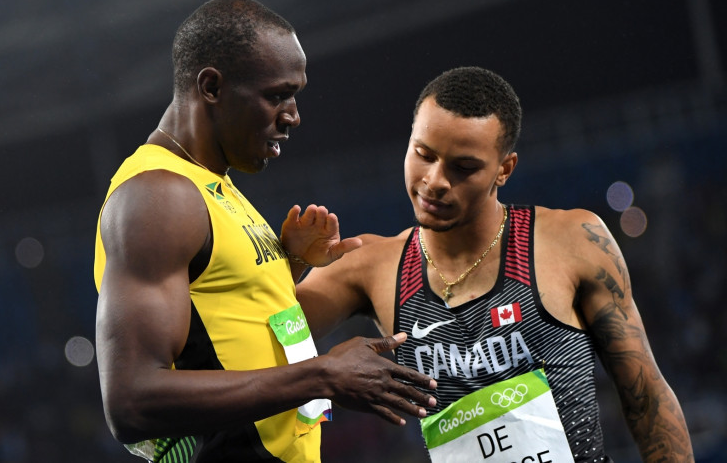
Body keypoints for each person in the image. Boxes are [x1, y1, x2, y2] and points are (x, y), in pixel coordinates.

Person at [93, 0, 436, 463]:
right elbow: (132, 400)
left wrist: (285, 267)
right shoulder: (158, 197)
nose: (293, 115)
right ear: (211, 86)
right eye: (276, 95)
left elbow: (219, 323)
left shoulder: (214, 186)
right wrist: (322, 375)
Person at [296, 67, 694, 462]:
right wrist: (294, 266)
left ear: (504, 169)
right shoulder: (367, 263)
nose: (435, 180)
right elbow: (260, 339)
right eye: (423, 154)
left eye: (463, 167)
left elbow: (646, 396)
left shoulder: (571, 240)